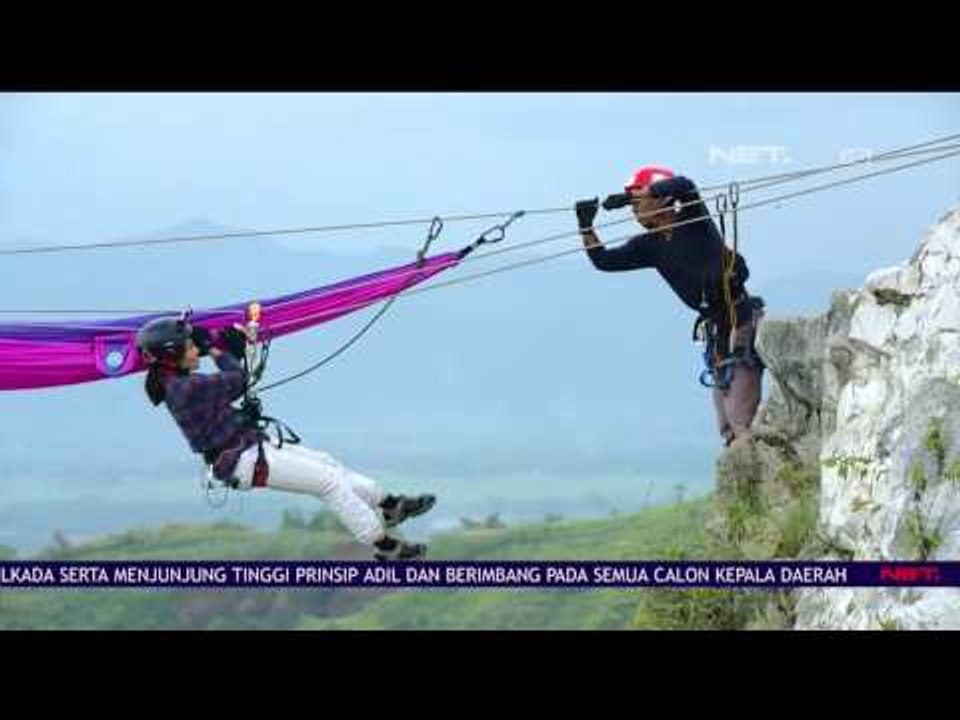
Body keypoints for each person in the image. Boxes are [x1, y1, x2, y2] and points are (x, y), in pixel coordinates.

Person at [136, 316, 434, 560]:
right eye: (190, 347)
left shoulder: (174, 380)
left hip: (249, 447)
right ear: (172, 356)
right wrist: (217, 350)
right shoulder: (186, 388)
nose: (195, 351)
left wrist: (217, 354)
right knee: (328, 483)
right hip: (244, 460)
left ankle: (390, 503)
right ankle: (384, 546)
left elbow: (224, 393)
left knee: (327, 464)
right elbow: (239, 379)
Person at [576, 166, 765, 447]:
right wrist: (586, 226)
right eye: (633, 205)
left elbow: (686, 185)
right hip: (717, 331)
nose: (634, 210)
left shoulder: (694, 220)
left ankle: (760, 471)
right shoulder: (649, 246)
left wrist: (650, 189)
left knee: (740, 420)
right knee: (726, 426)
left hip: (740, 320)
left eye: (638, 204)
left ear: (662, 199)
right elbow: (604, 261)